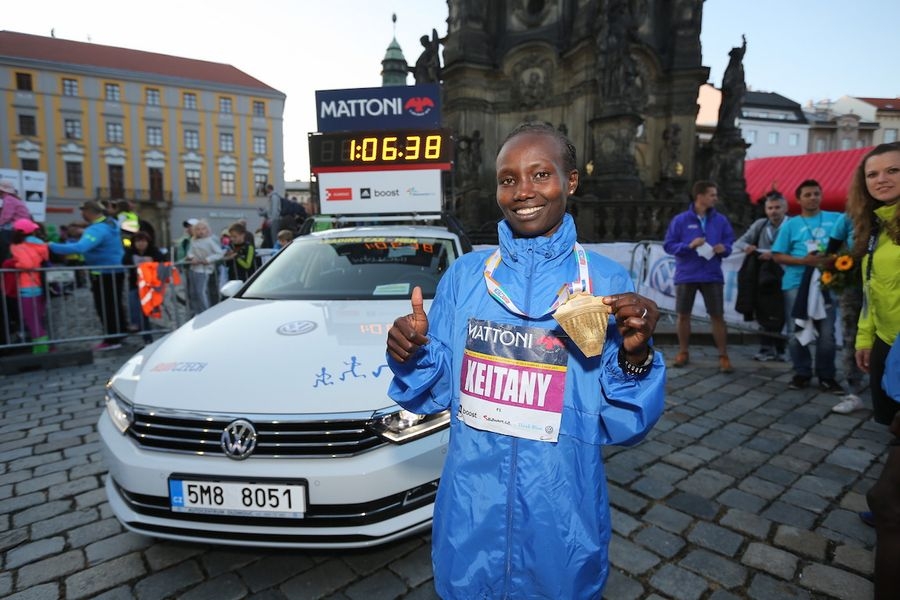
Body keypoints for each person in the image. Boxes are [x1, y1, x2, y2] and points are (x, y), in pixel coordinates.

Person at [385, 122, 665, 599]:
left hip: (563, 517)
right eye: (508, 179)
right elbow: (438, 390)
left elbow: (624, 422)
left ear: (571, 181)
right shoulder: (466, 277)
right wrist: (412, 355)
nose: (523, 192)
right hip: (471, 516)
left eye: (540, 174)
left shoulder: (604, 280)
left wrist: (636, 358)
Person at [845, 142, 900, 599]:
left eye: (893, 171)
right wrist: (867, 338)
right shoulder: (876, 227)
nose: (881, 180)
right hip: (885, 341)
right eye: (873, 174)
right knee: (891, 424)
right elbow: (870, 290)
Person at [771, 179, 845, 393]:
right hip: (796, 284)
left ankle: (827, 375)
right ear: (798, 199)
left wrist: (833, 259)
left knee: (827, 332)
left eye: (816, 194)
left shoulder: (836, 219)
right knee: (797, 329)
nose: (813, 198)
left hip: (828, 283)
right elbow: (777, 255)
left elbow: (847, 247)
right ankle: (801, 372)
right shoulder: (791, 225)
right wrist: (804, 261)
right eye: (808, 195)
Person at [663, 180, 735, 373]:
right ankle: (683, 352)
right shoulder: (681, 220)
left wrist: (724, 248)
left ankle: (723, 355)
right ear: (700, 196)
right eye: (712, 194)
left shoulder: (720, 220)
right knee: (683, 315)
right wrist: (689, 246)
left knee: (717, 316)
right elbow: (669, 245)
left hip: (712, 274)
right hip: (687, 274)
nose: (715, 198)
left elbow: (729, 243)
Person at [47, 201, 127, 351]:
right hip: (116, 269)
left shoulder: (96, 229)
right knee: (115, 305)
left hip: (102, 272)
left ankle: (112, 339)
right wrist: (84, 231)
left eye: (83, 211)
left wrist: (51, 245)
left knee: (104, 306)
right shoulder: (111, 223)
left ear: (90, 211)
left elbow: (80, 247)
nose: (82, 215)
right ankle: (120, 333)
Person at [734, 191, 789, 361]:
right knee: (764, 310)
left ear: (785, 208)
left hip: (788, 274)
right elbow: (739, 242)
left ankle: (782, 348)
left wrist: (775, 254)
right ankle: (766, 347)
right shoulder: (760, 225)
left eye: (777, 207)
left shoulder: (792, 225)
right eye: (770, 208)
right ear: (766, 210)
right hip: (765, 276)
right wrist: (747, 247)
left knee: (784, 312)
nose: (774, 211)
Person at [826, 212, 866, 413]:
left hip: (890, 282)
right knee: (851, 334)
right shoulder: (850, 216)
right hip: (854, 283)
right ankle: (853, 390)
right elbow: (831, 250)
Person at [9, 218, 50, 353]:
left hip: (27, 287)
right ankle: (43, 346)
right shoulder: (40, 245)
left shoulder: (18, 247)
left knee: (31, 320)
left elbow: (27, 265)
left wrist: (15, 265)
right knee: (38, 318)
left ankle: (40, 349)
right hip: (39, 285)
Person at [123, 230, 164, 343]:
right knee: (135, 307)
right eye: (138, 241)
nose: (141, 244)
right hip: (135, 284)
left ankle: (150, 338)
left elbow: (162, 261)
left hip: (150, 286)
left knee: (147, 312)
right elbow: (125, 261)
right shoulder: (130, 252)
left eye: (143, 241)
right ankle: (144, 335)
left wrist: (153, 261)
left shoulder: (153, 251)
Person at [185, 219, 224, 316]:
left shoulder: (210, 241)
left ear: (207, 230)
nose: (200, 231)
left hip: (204, 270)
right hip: (193, 269)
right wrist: (191, 257)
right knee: (193, 292)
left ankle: (205, 312)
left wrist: (208, 259)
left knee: (200, 292)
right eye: (198, 229)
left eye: (203, 229)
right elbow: (190, 252)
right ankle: (196, 311)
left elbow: (219, 253)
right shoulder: (193, 241)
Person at [0, 179, 32, 261]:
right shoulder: (15, 199)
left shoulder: (8, 199)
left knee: (5, 245)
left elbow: (6, 216)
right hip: (23, 227)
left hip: (14, 227)